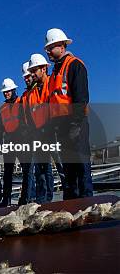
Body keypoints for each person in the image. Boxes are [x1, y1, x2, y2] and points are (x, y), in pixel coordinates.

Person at [44, 28, 92, 199]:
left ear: (62, 46)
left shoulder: (74, 65)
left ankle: (86, 209)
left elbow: (81, 98)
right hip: (63, 128)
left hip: (76, 125)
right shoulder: (54, 73)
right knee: (69, 174)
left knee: (81, 170)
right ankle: (71, 209)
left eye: (51, 47)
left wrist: (75, 126)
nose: (48, 51)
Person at [25, 53, 55, 203]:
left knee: (60, 168)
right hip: (39, 134)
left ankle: (50, 197)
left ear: (44, 69)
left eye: (34, 71)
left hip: (53, 132)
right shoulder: (32, 94)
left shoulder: (52, 84)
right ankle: (42, 200)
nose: (32, 75)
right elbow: (31, 116)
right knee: (41, 169)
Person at [0, 77, 33, 206]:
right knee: (7, 172)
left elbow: (27, 121)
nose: (6, 93)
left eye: (8, 91)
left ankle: (24, 199)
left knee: (26, 171)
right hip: (8, 142)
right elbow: (1, 127)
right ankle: (5, 199)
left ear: (14, 90)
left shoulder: (21, 102)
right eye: (5, 92)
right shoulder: (2, 108)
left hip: (22, 140)